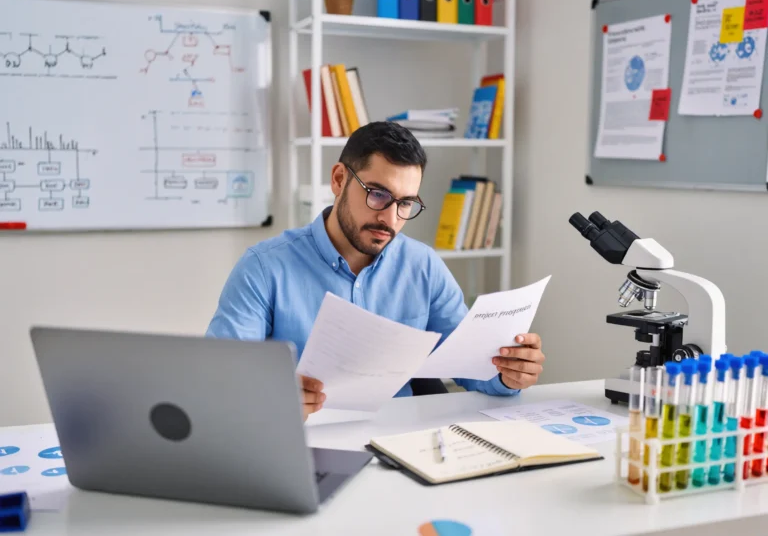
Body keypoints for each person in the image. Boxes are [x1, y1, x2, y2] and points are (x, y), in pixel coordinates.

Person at [206, 121, 545, 421]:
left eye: (405, 203)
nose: (391, 218)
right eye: (378, 195)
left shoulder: (423, 266)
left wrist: (508, 373)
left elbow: (473, 367)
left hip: (402, 446)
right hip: (301, 442)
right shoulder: (265, 267)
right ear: (339, 179)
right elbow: (220, 380)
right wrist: (270, 395)